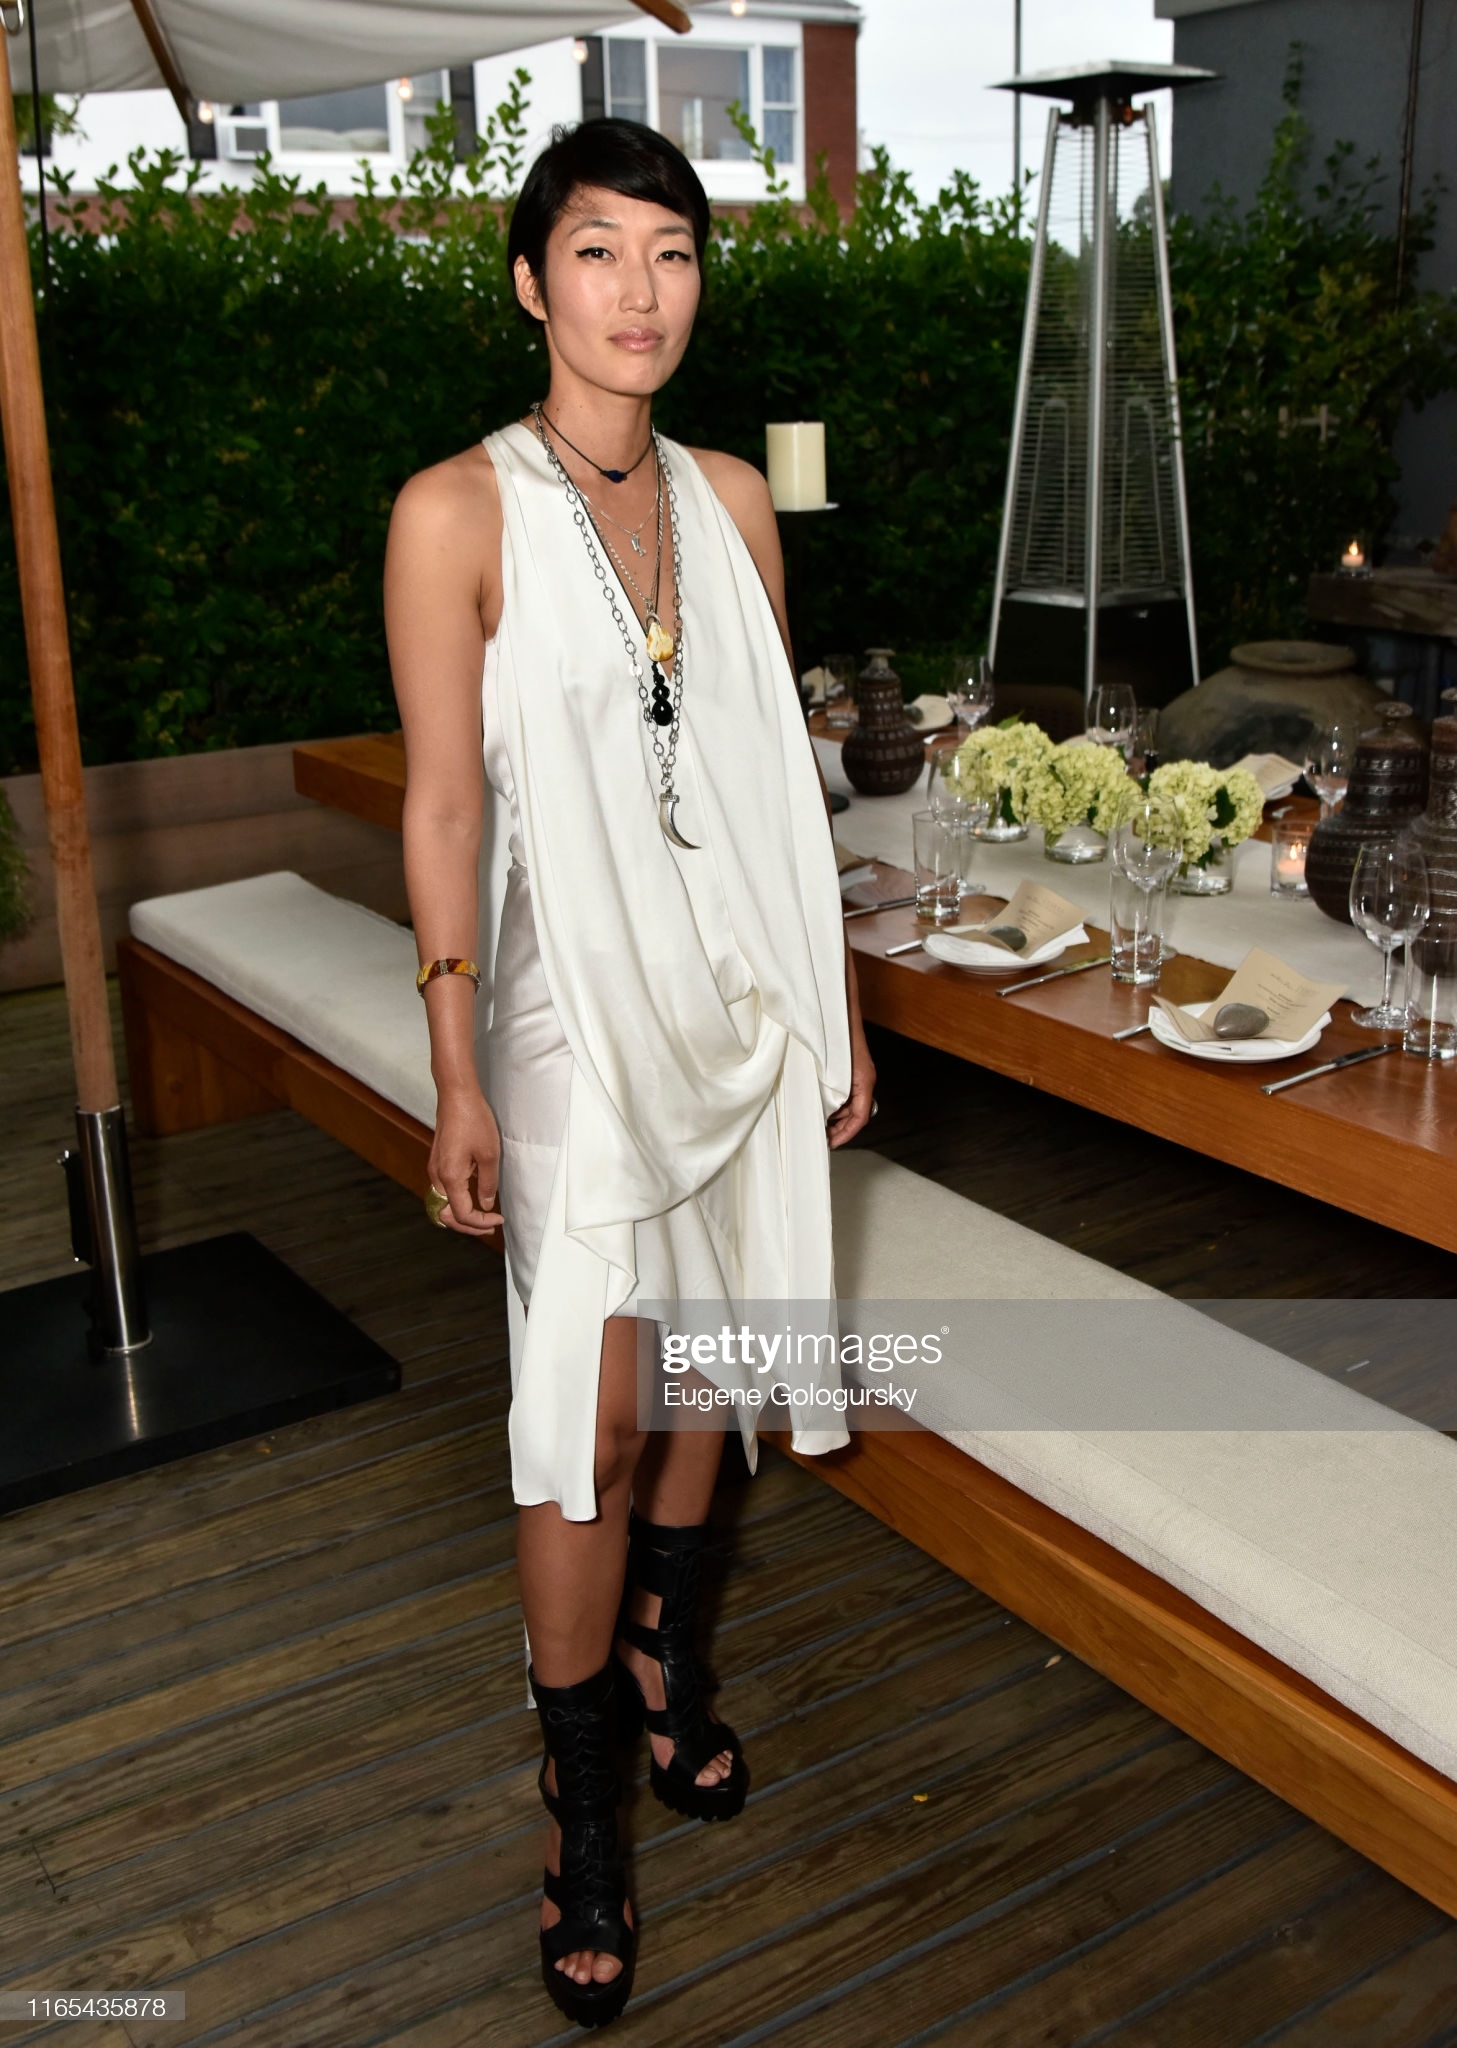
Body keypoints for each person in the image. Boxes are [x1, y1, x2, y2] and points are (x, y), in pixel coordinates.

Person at [384, 117, 875, 2029]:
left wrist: (832, 1005)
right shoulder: (456, 513)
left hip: (736, 990)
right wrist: (453, 1064)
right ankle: (579, 1803)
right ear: (532, 282)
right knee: (591, 1406)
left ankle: (667, 1657)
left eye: (670, 252)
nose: (639, 291)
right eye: (598, 251)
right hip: (569, 1011)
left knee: (711, 1354)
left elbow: (771, 780)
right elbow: (443, 807)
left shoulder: (732, 501)